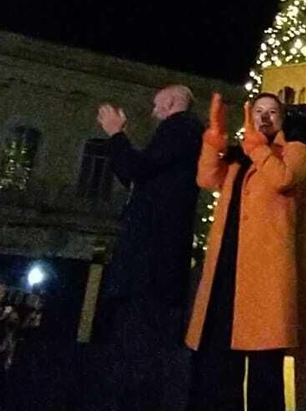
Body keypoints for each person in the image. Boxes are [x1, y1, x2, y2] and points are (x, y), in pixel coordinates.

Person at [184, 93, 306, 411]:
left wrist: (257, 148)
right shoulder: (238, 158)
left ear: (281, 120)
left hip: (264, 272)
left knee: (264, 367)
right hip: (228, 266)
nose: (265, 118)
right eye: (258, 111)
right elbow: (206, 178)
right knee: (219, 358)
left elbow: (283, 179)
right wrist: (214, 141)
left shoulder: (293, 151)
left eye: (272, 113)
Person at [93, 84, 205, 411]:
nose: (154, 113)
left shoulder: (180, 128)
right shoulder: (184, 134)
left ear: (170, 103)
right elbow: (137, 174)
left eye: (157, 106)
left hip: (149, 266)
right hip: (154, 266)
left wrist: (116, 134)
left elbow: (136, 170)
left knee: (138, 354)